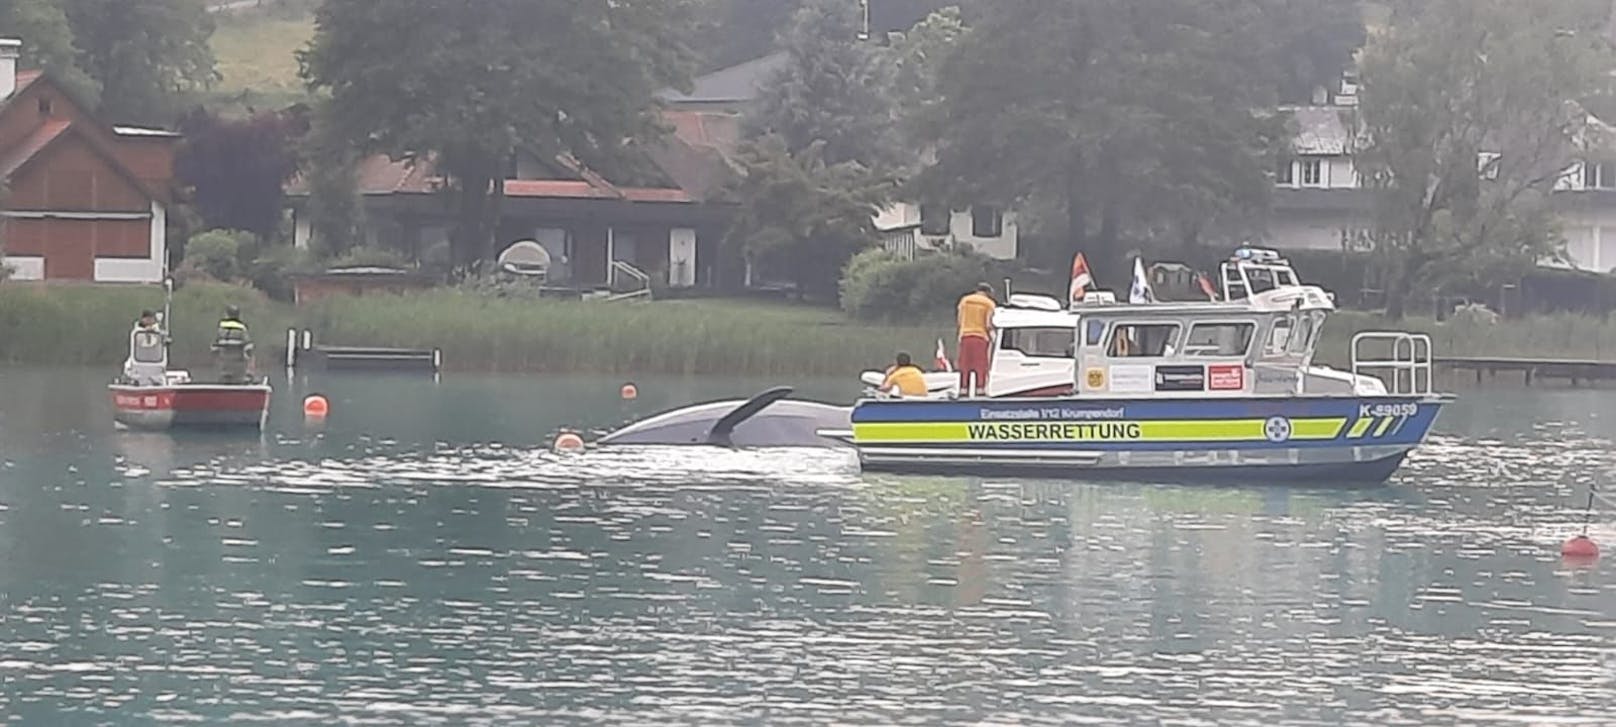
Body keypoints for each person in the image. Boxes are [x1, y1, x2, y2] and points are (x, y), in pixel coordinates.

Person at [956, 283, 996, 393]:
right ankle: (980, 389)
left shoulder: (964, 300)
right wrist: (993, 335)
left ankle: (963, 389)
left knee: (964, 364)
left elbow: (959, 320)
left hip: (965, 335)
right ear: (988, 293)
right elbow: (988, 324)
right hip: (980, 337)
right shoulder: (989, 304)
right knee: (980, 365)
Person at [213, 305, 253, 384]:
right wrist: (249, 362)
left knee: (224, 380)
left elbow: (214, 347)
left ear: (227, 315)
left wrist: (217, 358)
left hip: (224, 361)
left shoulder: (221, 329)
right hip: (238, 362)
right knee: (238, 381)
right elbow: (248, 347)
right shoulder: (241, 329)